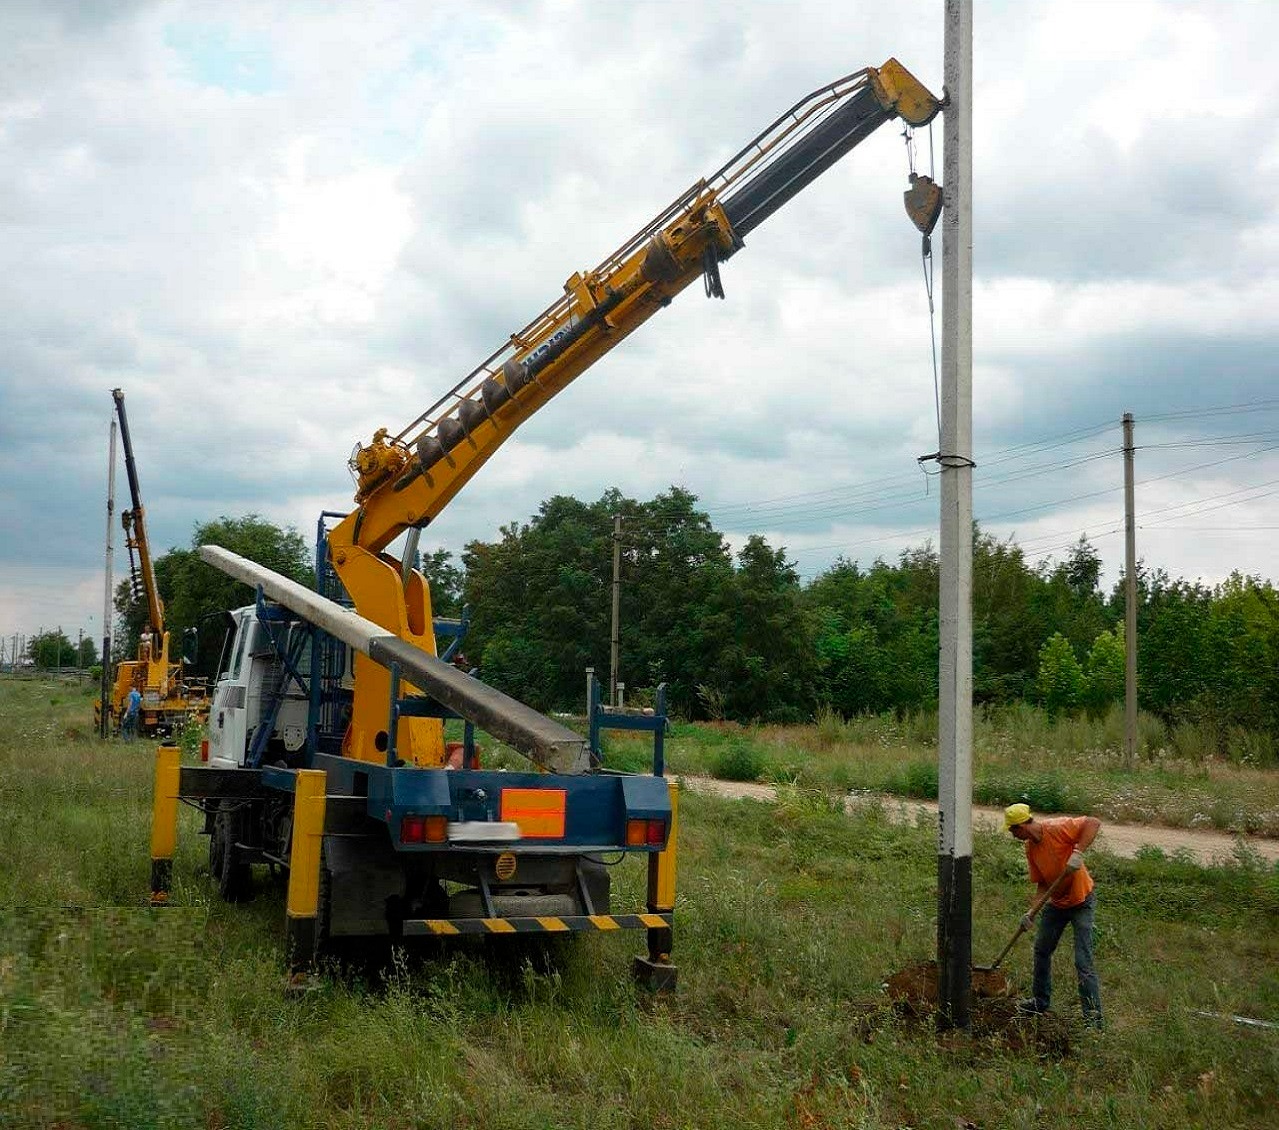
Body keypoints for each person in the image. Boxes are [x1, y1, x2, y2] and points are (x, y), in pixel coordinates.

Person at [1004, 802, 1104, 1028]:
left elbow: (1093, 823)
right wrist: (1031, 912)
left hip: (1081, 902)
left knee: (1083, 961)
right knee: (1041, 950)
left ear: (1022, 826)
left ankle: (1094, 1022)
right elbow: (1042, 884)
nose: (1012, 835)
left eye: (1012, 830)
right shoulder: (1030, 848)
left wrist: (1077, 852)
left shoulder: (1058, 828)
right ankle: (1040, 1002)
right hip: (1057, 904)